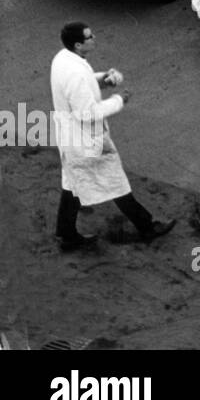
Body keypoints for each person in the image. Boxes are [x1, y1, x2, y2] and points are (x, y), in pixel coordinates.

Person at [50, 22, 175, 251]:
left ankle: (66, 232)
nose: (94, 38)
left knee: (74, 183)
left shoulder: (63, 58)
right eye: (89, 37)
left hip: (70, 138)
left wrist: (102, 79)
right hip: (87, 140)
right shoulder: (75, 73)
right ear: (78, 44)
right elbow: (87, 113)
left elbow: (81, 83)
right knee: (115, 181)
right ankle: (146, 226)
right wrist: (119, 101)